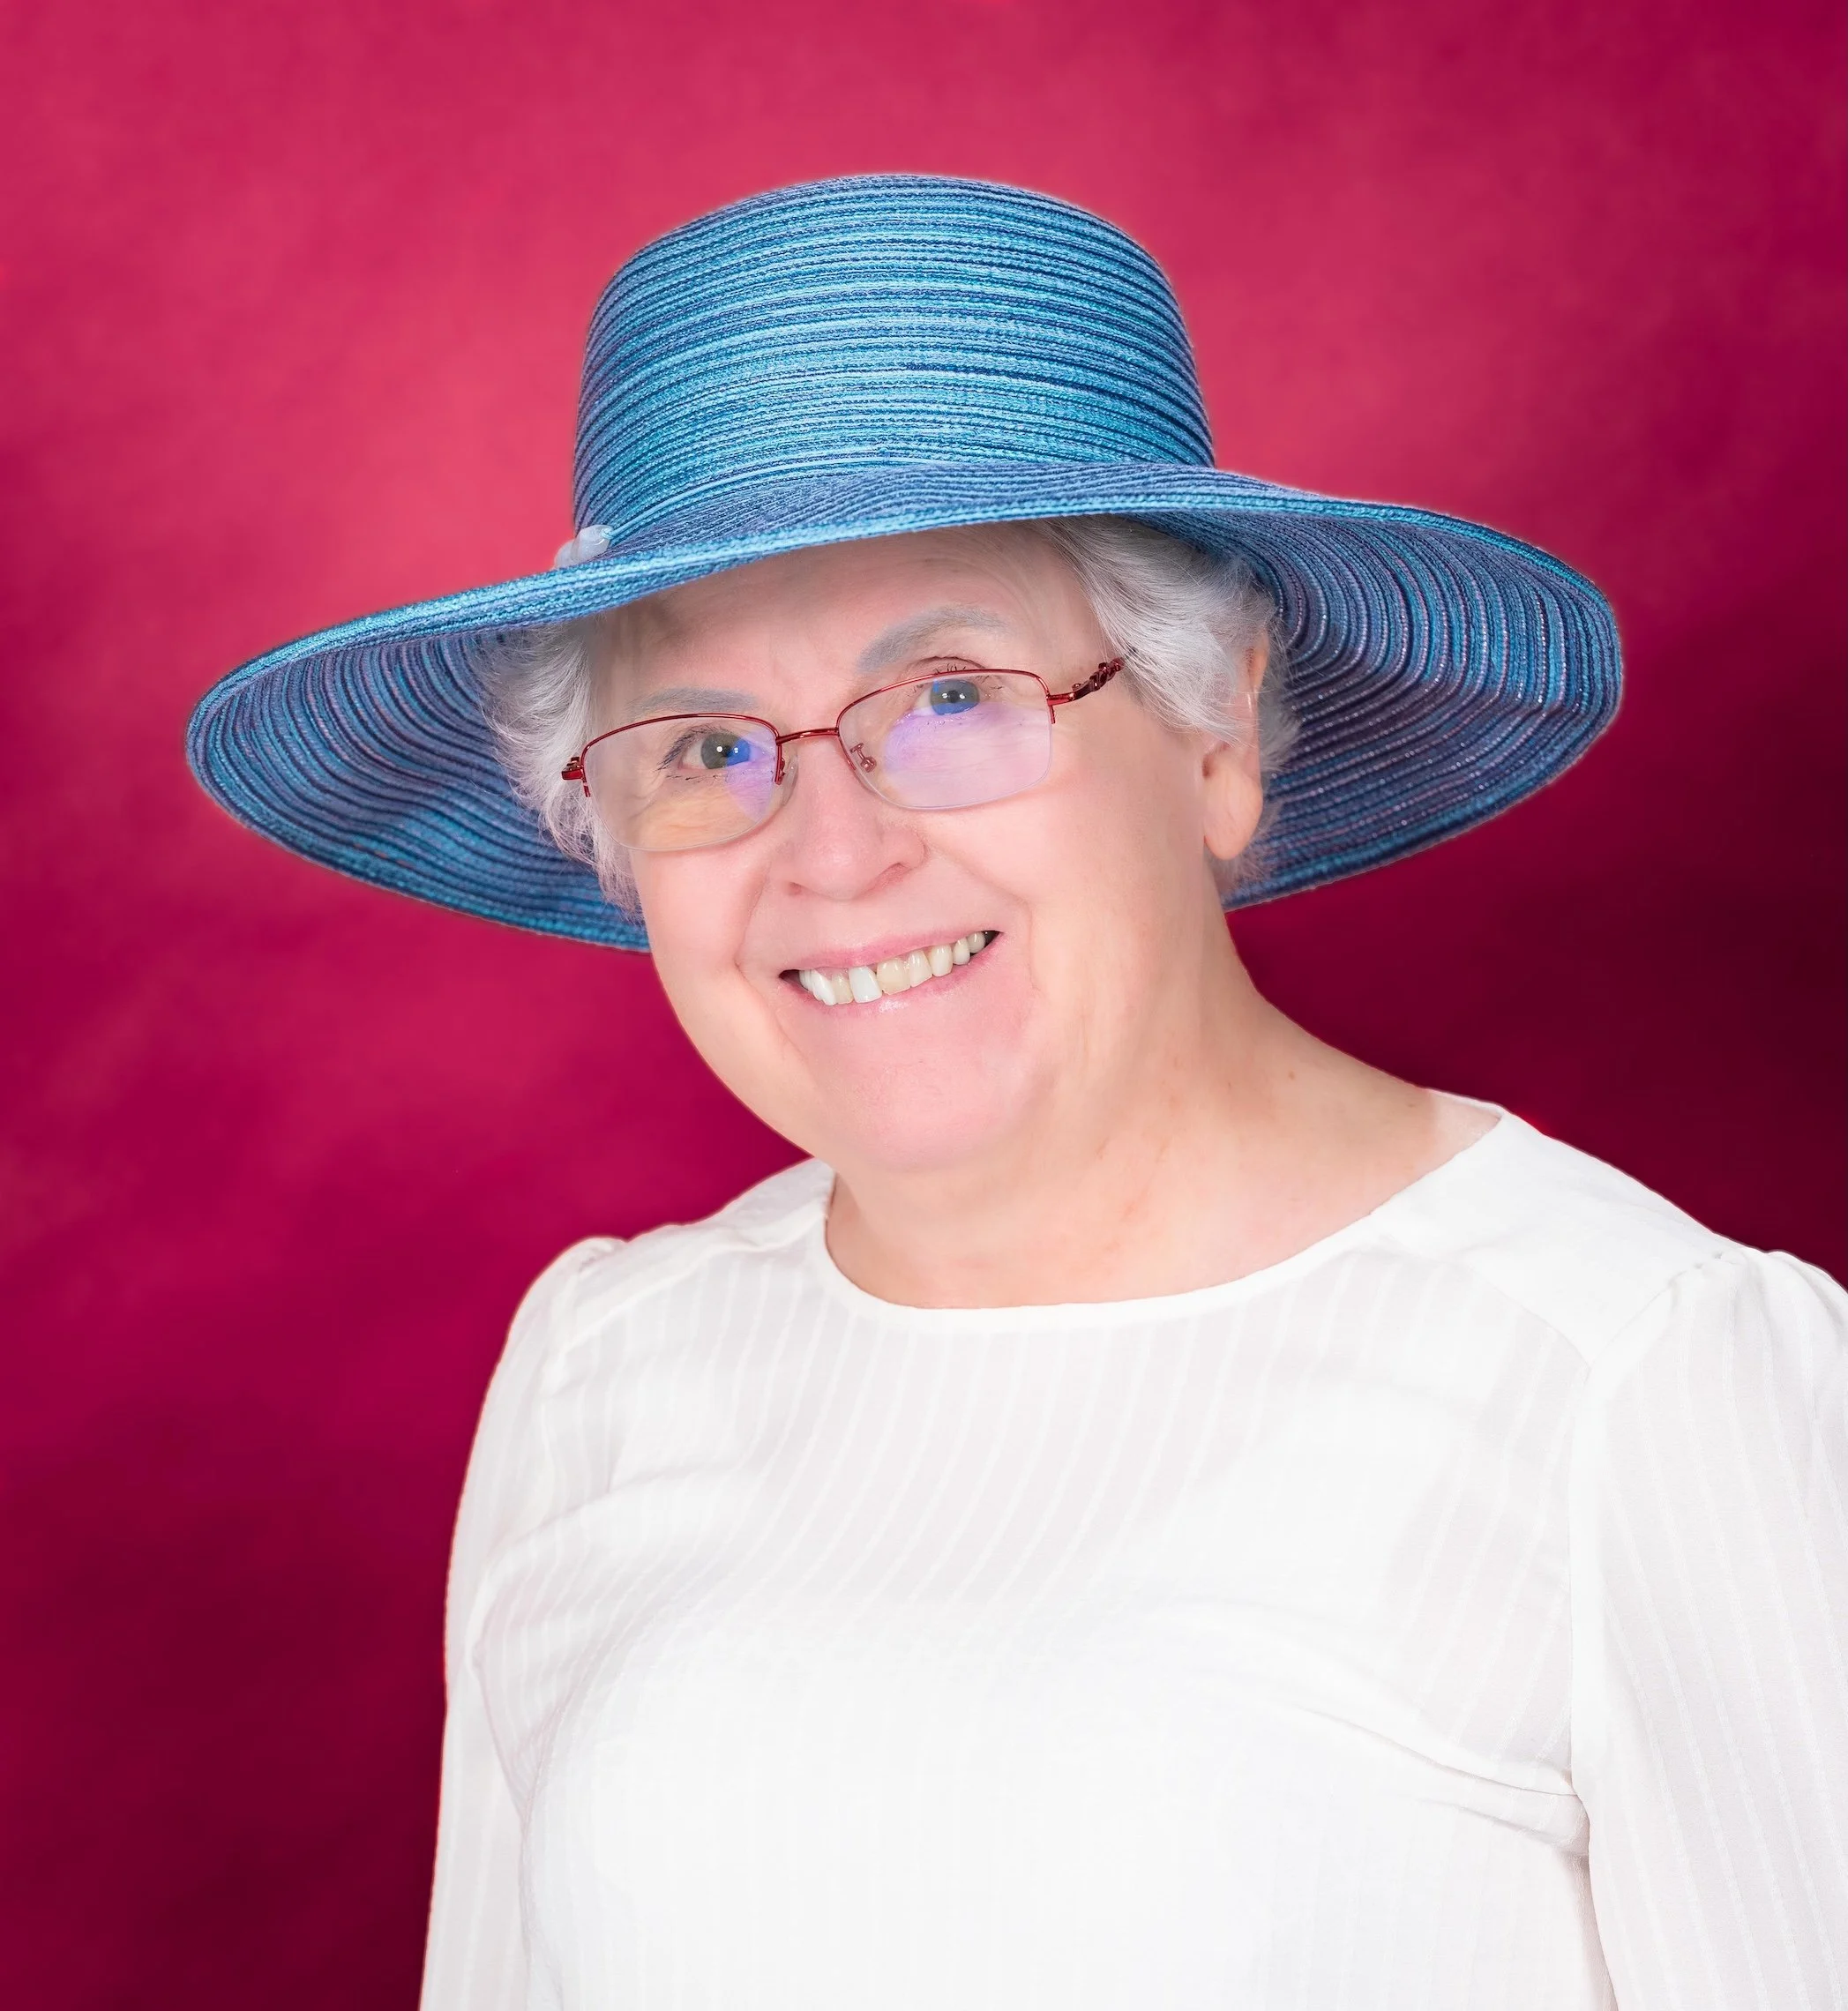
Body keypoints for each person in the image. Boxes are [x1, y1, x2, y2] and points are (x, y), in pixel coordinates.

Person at [189, 176, 1846, 2010]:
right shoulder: (599, 1368)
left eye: (955, 695)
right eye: (707, 748)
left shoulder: (1640, 1377)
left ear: (1215, 729)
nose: (834, 850)